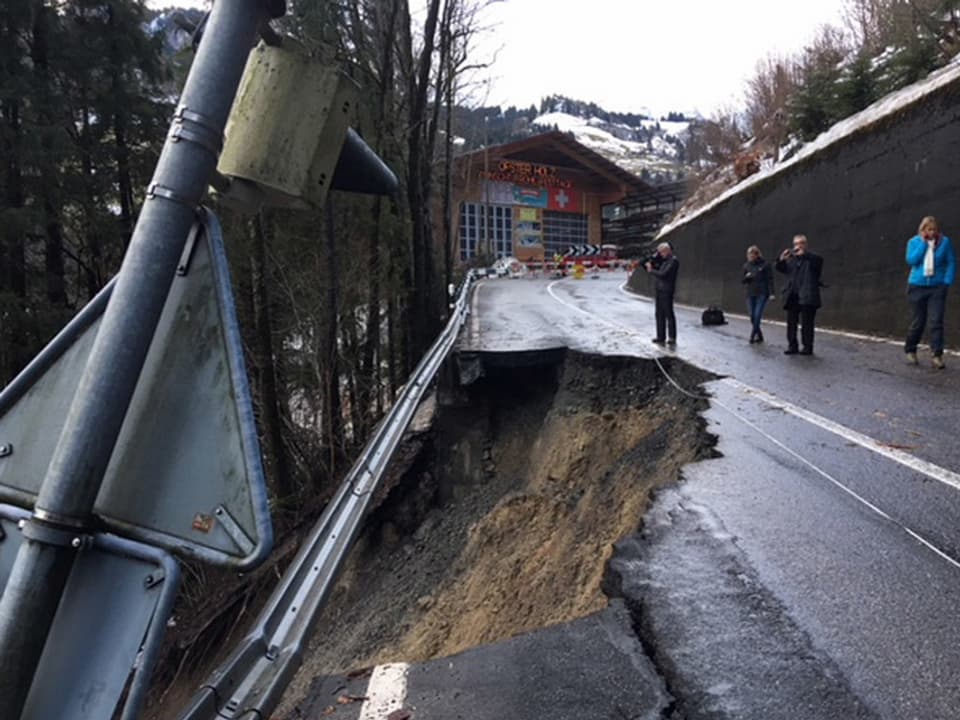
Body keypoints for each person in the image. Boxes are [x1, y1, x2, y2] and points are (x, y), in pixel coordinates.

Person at [904, 215, 955, 369]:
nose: (932, 233)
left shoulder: (944, 243)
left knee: (936, 321)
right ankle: (910, 350)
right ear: (923, 230)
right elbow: (912, 260)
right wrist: (924, 245)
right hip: (917, 286)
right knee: (918, 322)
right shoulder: (914, 242)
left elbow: (951, 261)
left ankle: (937, 355)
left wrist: (947, 281)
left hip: (937, 287)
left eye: (934, 229)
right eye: (929, 229)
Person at [775, 234, 824, 355]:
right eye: (796, 244)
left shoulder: (813, 259)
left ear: (806, 245)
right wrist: (781, 259)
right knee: (791, 322)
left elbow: (819, 261)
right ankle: (792, 345)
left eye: (801, 243)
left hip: (808, 294)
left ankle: (807, 347)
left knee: (807, 323)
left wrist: (805, 254)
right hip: (793, 294)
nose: (798, 246)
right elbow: (781, 268)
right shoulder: (792, 260)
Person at [645, 242, 679, 346]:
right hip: (659, 290)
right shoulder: (664, 261)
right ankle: (661, 336)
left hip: (667, 290)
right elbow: (657, 267)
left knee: (669, 313)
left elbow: (663, 274)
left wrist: (651, 270)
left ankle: (672, 337)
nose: (660, 254)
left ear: (667, 251)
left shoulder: (673, 261)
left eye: (662, 252)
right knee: (659, 314)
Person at [741, 245, 774, 344]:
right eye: (749, 256)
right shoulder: (746, 266)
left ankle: (752, 335)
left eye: (752, 255)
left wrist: (772, 292)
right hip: (750, 293)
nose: (750, 257)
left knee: (757, 314)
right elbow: (742, 280)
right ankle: (759, 334)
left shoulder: (765, 265)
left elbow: (770, 279)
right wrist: (747, 277)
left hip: (762, 293)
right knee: (752, 315)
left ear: (757, 255)